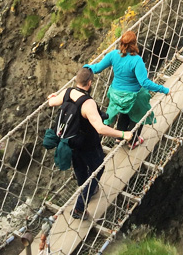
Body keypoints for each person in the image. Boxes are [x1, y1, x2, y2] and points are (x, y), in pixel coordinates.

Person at [48, 66, 132, 220]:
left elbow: (52, 103)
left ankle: (87, 189)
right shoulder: (88, 103)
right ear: (90, 83)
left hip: (69, 142)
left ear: (77, 80)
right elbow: (100, 128)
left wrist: (53, 97)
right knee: (97, 170)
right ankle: (79, 209)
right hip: (87, 145)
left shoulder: (67, 92)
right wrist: (123, 134)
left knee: (79, 166)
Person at [85, 31, 170, 148]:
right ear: (134, 44)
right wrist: (163, 89)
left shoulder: (113, 54)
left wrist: (87, 67)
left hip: (116, 95)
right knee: (139, 113)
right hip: (132, 96)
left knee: (124, 111)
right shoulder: (136, 60)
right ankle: (132, 141)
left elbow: (97, 68)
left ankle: (119, 138)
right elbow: (144, 83)